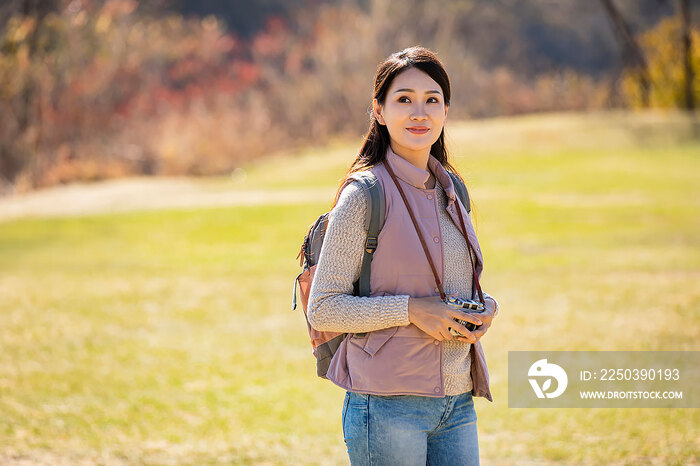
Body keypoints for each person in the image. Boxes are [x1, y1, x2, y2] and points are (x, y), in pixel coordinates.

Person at [307, 46, 499, 466]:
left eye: (432, 100)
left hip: (456, 401)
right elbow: (322, 309)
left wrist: (485, 308)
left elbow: (452, 290)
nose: (420, 113)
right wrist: (411, 310)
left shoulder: (454, 191)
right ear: (378, 110)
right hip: (387, 405)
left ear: (446, 112)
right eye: (404, 99)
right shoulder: (364, 195)